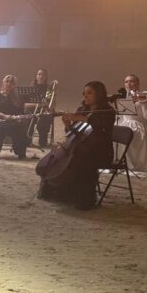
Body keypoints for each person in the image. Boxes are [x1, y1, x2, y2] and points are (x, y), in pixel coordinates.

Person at [38, 81, 116, 210]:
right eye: (84, 93)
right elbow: (74, 133)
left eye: (90, 93)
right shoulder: (82, 110)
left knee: (81, 157)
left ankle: (82, 199)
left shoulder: (108, 111)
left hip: (100, 152)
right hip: (81, 147)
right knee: (68, 155)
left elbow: (100, 127)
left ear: (99, 94)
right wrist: (67, 125)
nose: (86, 96)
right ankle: (59, 192)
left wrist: (79, 118)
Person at [114, 73, 147, 172]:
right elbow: (121, 115)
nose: (128, 83)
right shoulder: (123, 96)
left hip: (138, 126)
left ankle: (129, 164)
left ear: (138, 84)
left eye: (131, 81)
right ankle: (118, 162)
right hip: (124, 124)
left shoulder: (142, 96)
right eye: (126, 82)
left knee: (130, 136)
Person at [0, 74, 29, 159]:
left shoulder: (18, 97)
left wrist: (18, 118)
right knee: (0, 126)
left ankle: (20, 151)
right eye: (7, 81)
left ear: (14, 85)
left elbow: (21, 112)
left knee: (21, 127)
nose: (9, 83)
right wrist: (4, 116)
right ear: (3, 83)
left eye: (11, 82)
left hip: (13, 121)